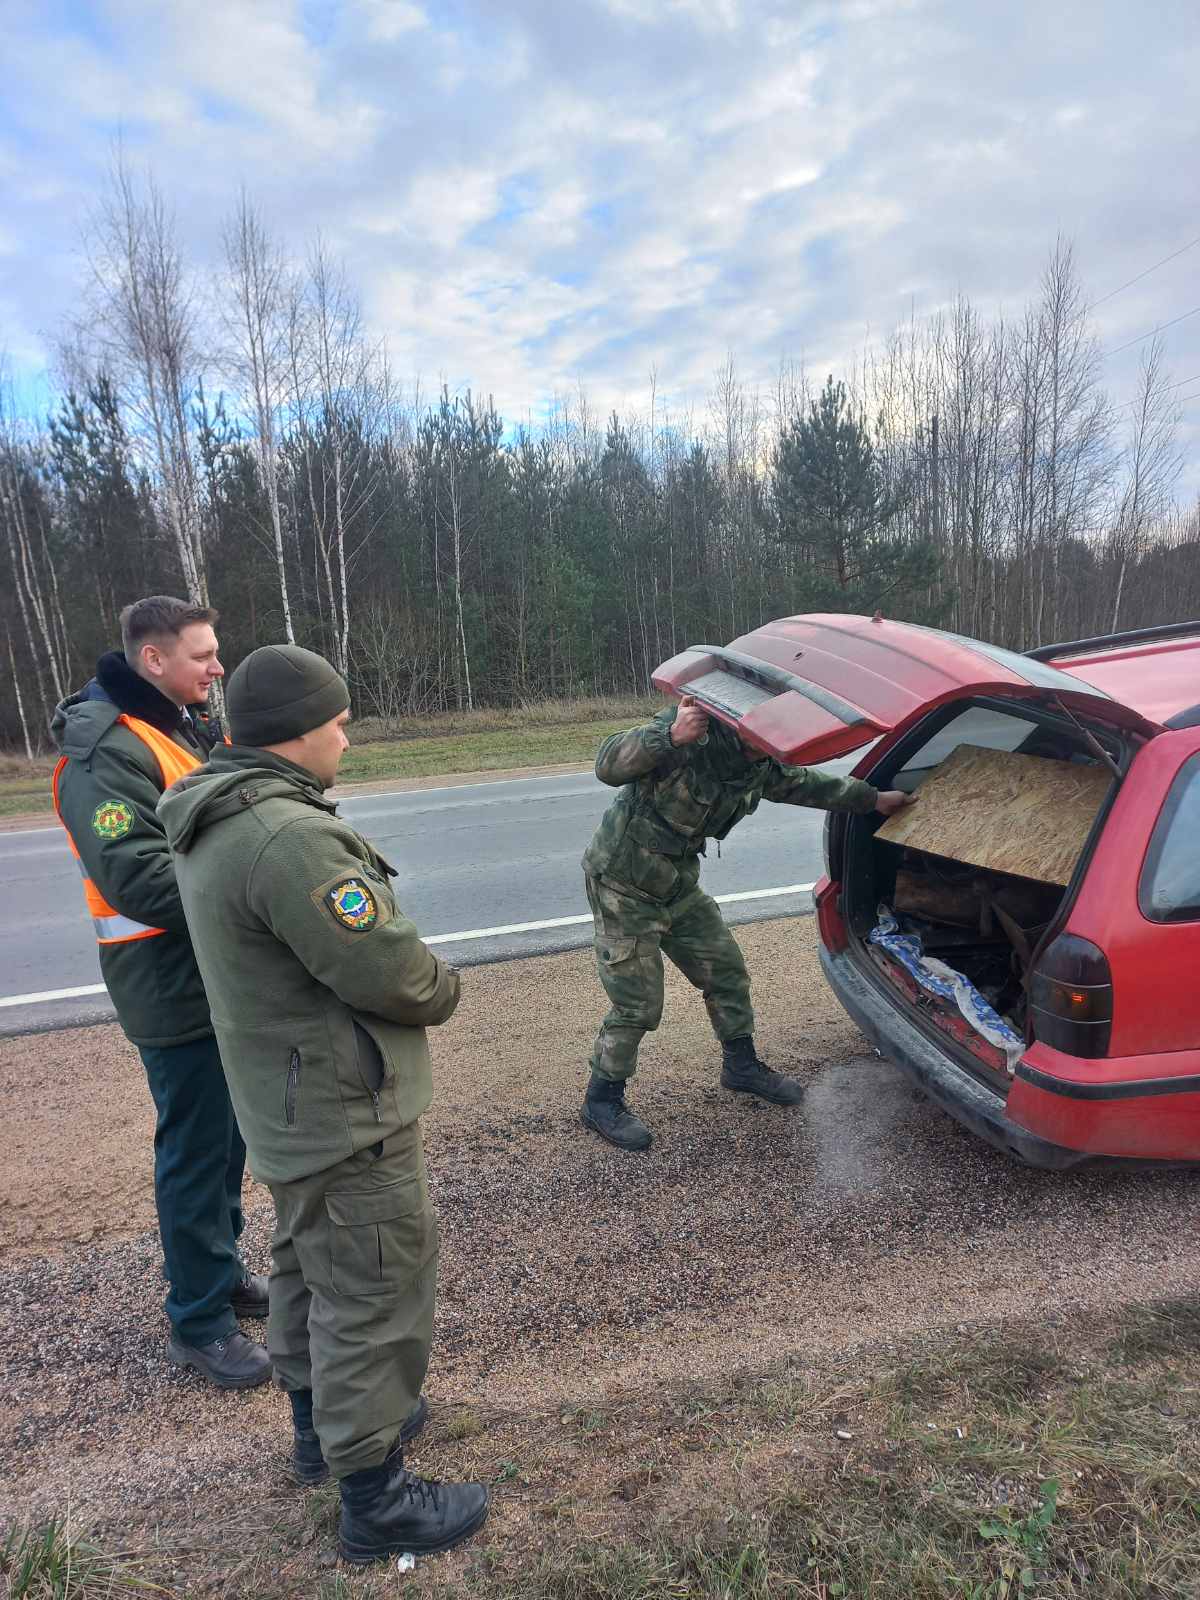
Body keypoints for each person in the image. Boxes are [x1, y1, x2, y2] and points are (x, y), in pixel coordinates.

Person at [159, 644, 488, 1563]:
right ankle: (375, 1494)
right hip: (342, 1109)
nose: (347, 735)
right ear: (299, 733)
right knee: (375, 1291)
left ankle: (320, 1430)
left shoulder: (218, 812)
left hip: (288, 1100)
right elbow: (389, 969)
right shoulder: (286, 837)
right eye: (338, 721)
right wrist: (444, 987)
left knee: (312, 1273)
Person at [50, 596, 270, 1387]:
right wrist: (253, 896)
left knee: (227, 1142)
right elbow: (139, 877)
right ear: (153, 659)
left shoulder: (176, 723)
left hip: (208, 971)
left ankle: (223, 1272)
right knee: (196, 1148)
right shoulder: (103, 751)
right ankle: (199, 1321)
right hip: (168, 984)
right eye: (204, 655)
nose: (218, 667)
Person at [580, 693, 915, 1151]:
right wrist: (667, 735)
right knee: (638, 1006)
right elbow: (607, 765)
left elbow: (809, 786)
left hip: (677, 886)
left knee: (728, 974)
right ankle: (602, 1099)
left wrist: (874, 800)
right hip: (623, 887)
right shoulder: (690, 734)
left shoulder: (760, 764)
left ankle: (741, 1066)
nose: (782, 751)